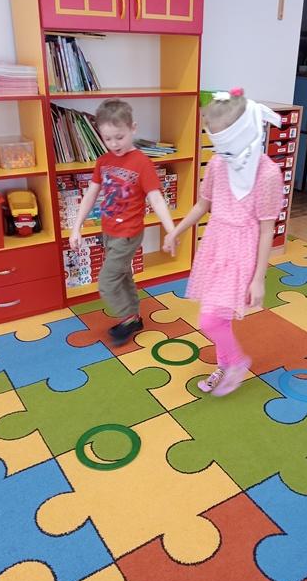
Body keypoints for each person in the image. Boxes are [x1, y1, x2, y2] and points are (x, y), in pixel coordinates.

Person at [163, 88, 284, 396]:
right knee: (218, 315)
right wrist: (177, 231)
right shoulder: (218, 163)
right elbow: (203, 204)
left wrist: (259, 278)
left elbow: (267, 230)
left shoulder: (268, 174)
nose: (223, 152)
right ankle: (225, 363)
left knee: (209, 319)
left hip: (241, 251)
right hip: (216, 244)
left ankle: (238, 362)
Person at [69, 99, 175, 345]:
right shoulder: (104, 161)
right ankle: (134, 314)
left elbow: (156, 199)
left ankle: (128, 318)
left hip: (128, 233)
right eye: (107, 139)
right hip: (109, 230)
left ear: (133, 128)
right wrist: (76, 228)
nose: (114, 144)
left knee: (107, 282)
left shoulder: (142, 163)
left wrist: (171, 230)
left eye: (119, 137)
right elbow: (91, 194)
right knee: (123, 274)